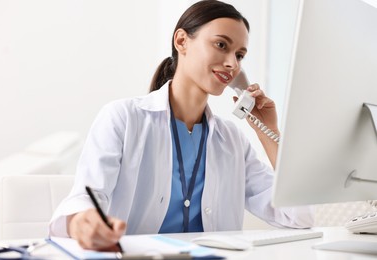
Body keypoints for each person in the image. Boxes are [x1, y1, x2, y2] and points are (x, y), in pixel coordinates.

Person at [49, 0, 313, 251]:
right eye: (221, 45)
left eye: (240, 55)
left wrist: (268, 132)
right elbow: (85, 198)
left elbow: (299, 215)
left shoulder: (232, 140)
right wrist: (83, 222)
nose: (232, 64)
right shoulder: (124, 117)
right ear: (182, 41)